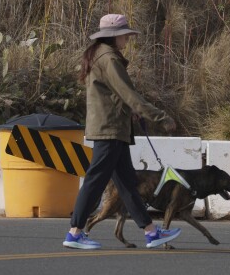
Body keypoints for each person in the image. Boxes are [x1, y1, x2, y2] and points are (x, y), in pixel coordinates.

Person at [63, 13, 180, 250]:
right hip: (110, 129)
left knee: (127, 184)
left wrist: (130, 111)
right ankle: (75, 232)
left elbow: (113, 94)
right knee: (95, 181)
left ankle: (150, 232)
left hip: (112, 126)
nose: (128, 38)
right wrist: (160, 117)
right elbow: (129, 94)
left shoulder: (99, 55)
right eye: (125, 34)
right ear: (114, 36)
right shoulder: (109, 59)